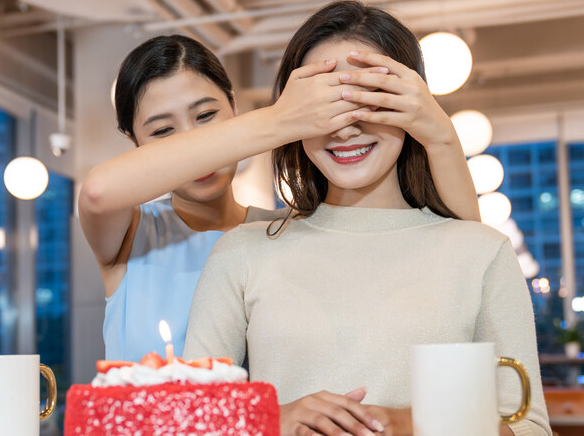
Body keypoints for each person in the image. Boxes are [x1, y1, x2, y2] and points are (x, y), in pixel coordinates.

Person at [182, 0, 550, 436]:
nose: (343, 129)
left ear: (412, 106)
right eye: (322, 105)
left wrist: (404, 423)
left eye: (368, 99)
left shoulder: (482, 252)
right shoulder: (242, 252)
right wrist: (272, 419)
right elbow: (190, 420)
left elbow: (527, 429)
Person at [78, 34, 481, 361]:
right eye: (163, 131)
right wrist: (282, 118)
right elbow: (97, 192)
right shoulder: (131, 235)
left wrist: (441, 134)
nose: (195, 147)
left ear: (234, 108)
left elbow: (465, 249)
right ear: (134, 142)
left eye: (206, 117)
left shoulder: (285, 233)